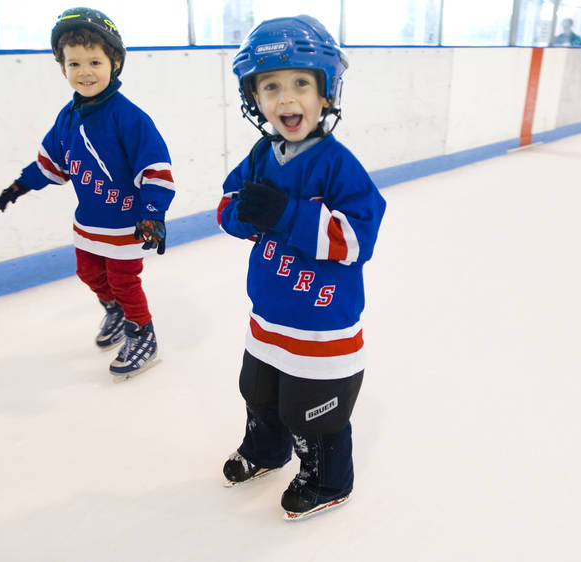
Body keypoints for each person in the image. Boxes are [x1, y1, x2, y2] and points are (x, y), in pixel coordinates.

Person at [217, 15, 386, 520]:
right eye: (271, 86)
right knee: (259, 389)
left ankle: (328, 478)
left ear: (326, 92)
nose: (286, 99)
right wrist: (241, 215)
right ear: (255, 98)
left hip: (322, 322)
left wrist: (287, 216)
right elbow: (229, 204)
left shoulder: (338, 164)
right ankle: (268, 448)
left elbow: (360, 237)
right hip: (268, 314)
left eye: (300, 84)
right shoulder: (260, 154)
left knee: (312, 408)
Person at [0, 7, 175, 381]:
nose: (84, 72)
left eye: (94, 61)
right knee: (88, 273)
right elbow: (51, 163)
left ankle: (142, 333)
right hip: (89, 222)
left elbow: (156, 171)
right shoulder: (68, 117)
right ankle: (116, 310)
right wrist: (20, 184)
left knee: (125, 281)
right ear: (63, 69)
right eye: (74, 64)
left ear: (116, 63)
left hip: (127, 224)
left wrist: (153, 213)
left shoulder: (129, 118)